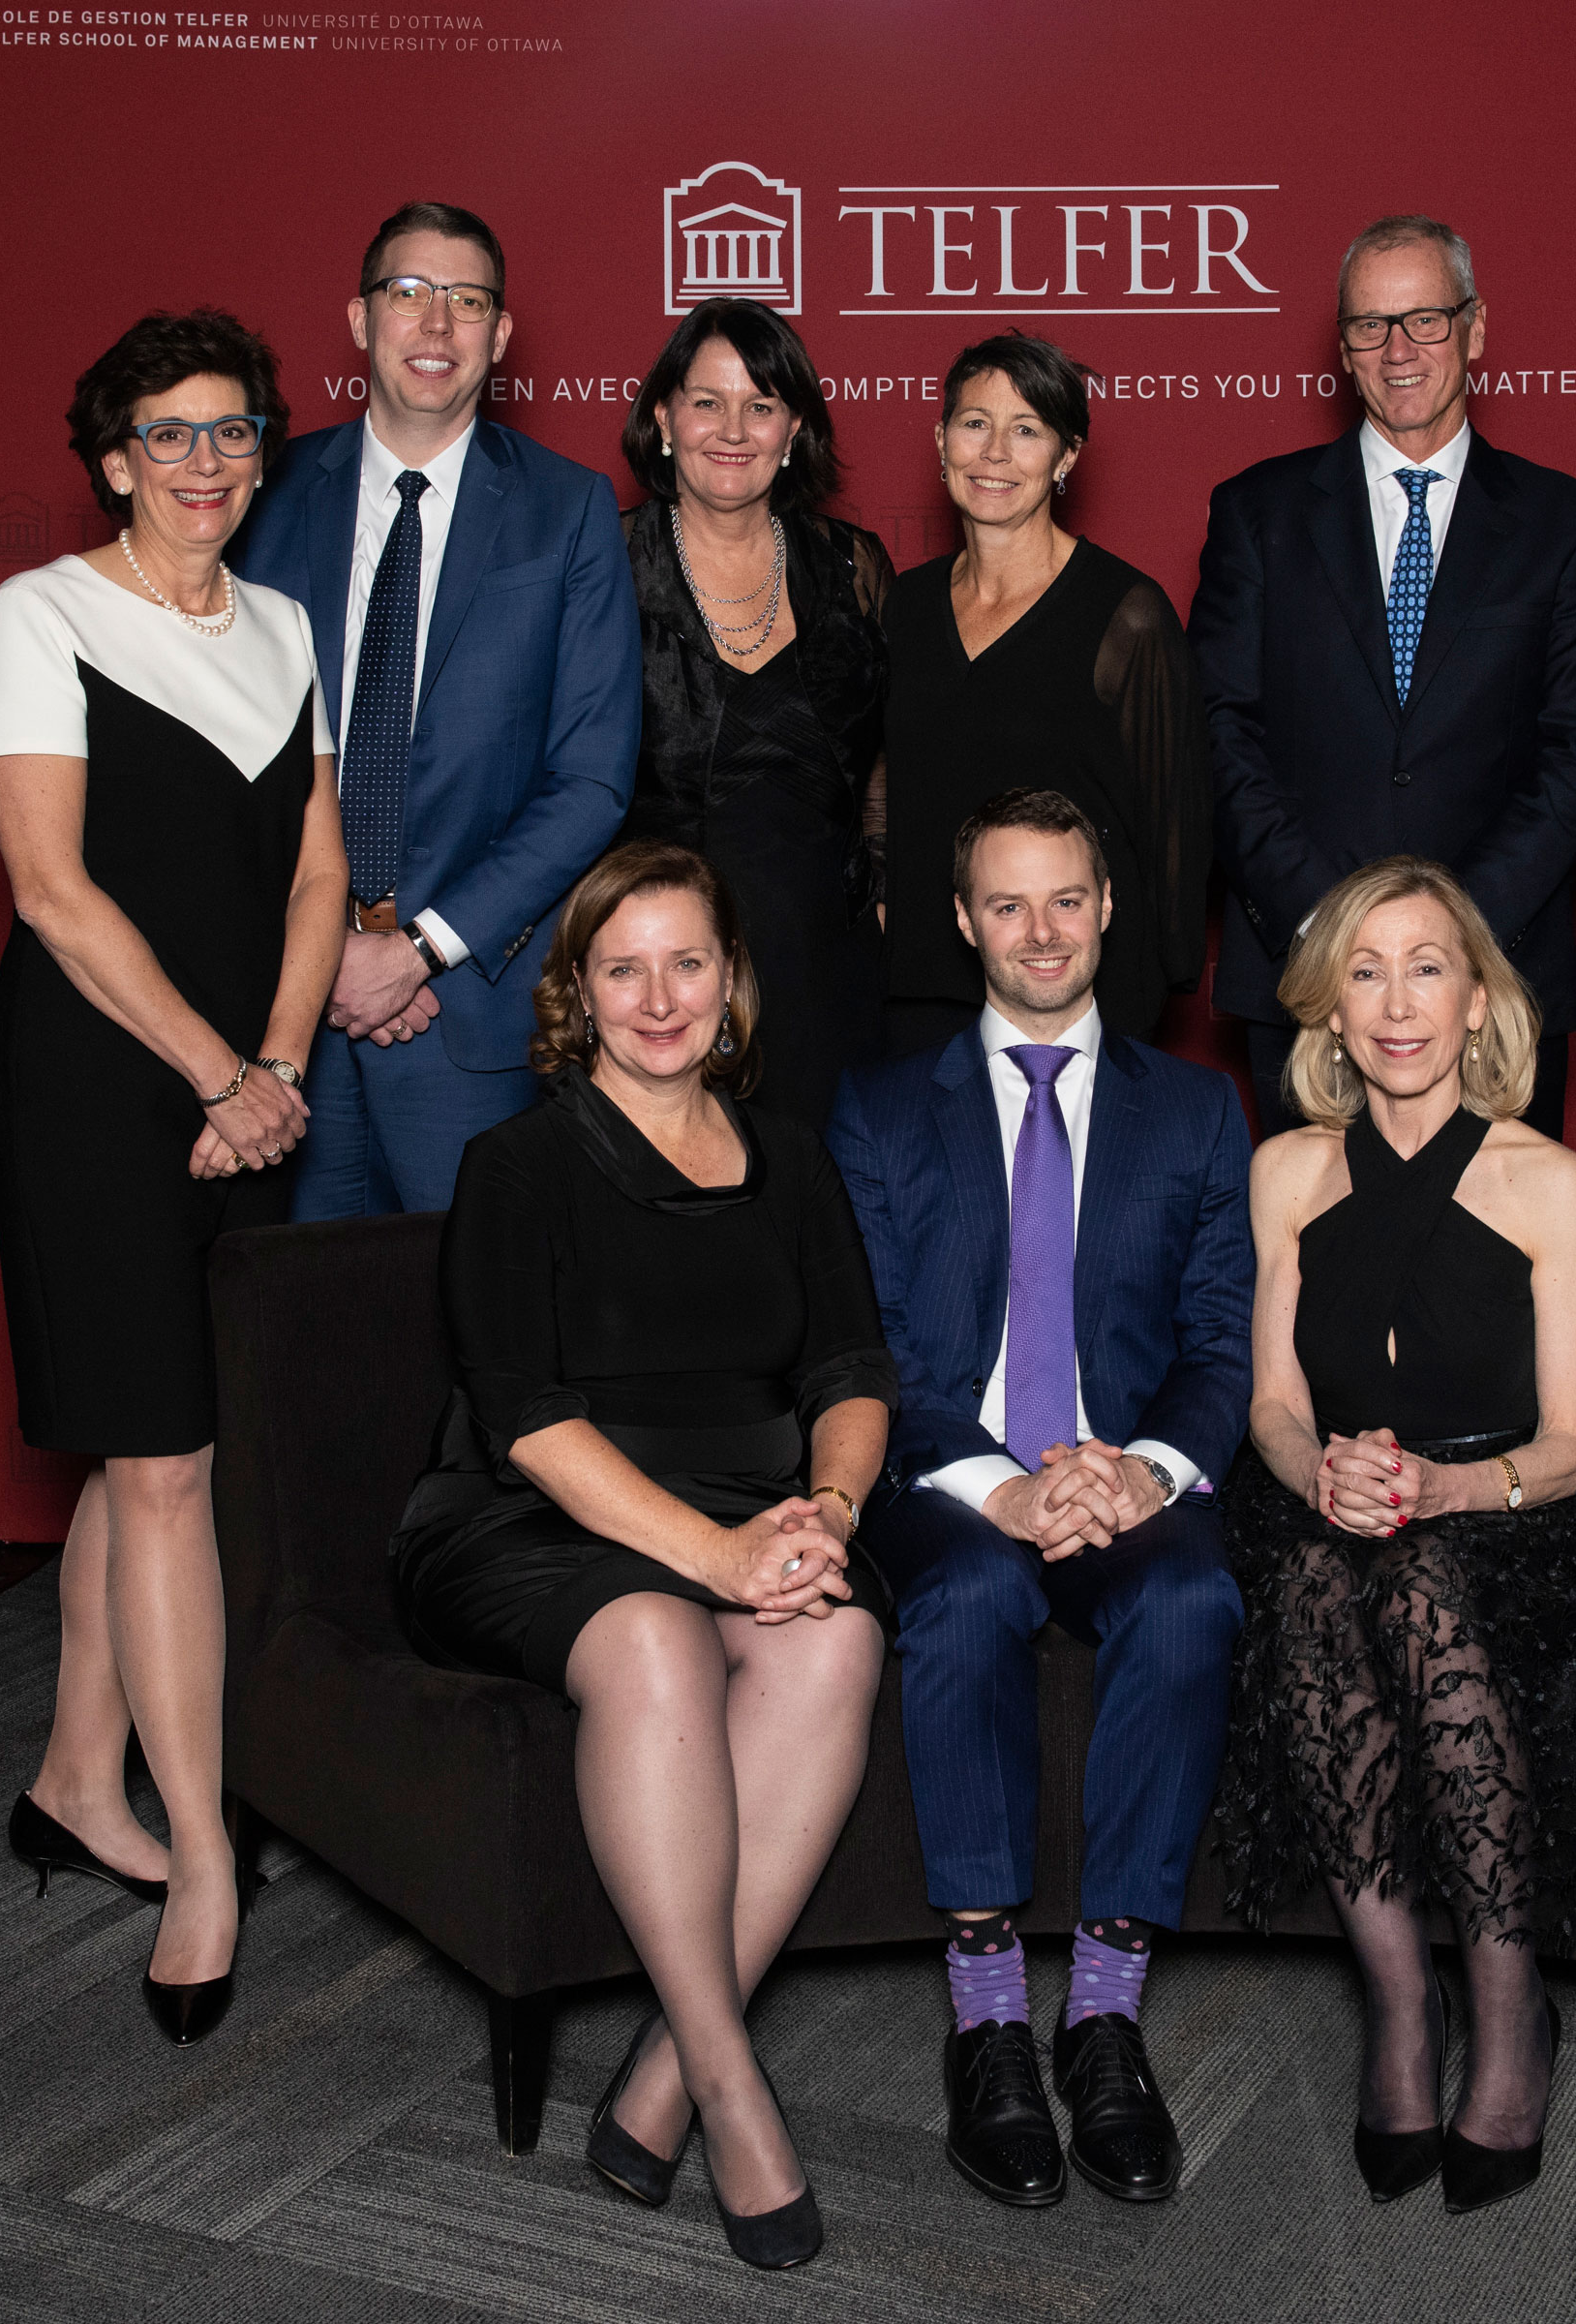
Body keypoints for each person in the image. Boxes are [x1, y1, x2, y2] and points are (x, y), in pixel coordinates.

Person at [389, 841, 894, 2272]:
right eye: (624, 968)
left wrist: (827, 1518)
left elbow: (853, 1372)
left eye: (688, 963)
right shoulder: (520, 1165)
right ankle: (731, 2090)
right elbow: (531, 1426)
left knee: (842, 1635)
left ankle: (664, 2069)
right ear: (578, 991)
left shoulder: (790, 1158)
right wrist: (721, 1561)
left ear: (731, 983)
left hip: (754, 1509)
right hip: (531, 1517)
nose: (659, 997)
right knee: (662, 1642)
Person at [0, 308, 349, 2047]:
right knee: (169, 1464)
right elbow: (50, 892)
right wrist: (217, 1074)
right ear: (112, 456)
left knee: (150, 1460)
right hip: (100, 1094)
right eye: (170, 434)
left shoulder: (284, 626)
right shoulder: (36, 618)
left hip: (243, 1091)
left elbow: (314, 880)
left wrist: (274, 1069)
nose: (208, 461)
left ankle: (70, 1775)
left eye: (235, 431)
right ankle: (201, 1856)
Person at [1224, 858, 1576, 2216]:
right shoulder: (1287, 1172)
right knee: (1317, 1583)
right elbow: (1269, 1401)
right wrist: (1320, 1474)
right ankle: (1402, 2009)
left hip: (1514, 1514)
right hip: (1333, 1498)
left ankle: (1507, 2001)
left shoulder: (1548, 1179)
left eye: (1426, 966)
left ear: (1476, 997)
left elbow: (1571, 1445)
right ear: (1329, 1012)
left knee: (1415, 1582)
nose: (1397, 1002)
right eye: (1364, 973)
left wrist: (1441, 1490)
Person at [825, 790, 1254, 2211]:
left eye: (1066, 898)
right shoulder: (883, 1109)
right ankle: (993, 2014)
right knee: (966, 1595)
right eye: (1007, 904)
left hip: (1123, 1478)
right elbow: (873, 1346)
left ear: (1109, 905)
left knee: (1195, 1592)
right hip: (955, 1480)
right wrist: (999, 1492)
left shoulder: (1194, 1110)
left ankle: (1108, 2013)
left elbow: (1218, 1342)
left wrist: (1142, 1472)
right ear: (962, 924)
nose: (1042, 931)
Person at [229, 199, 642, 1216]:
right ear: (361, 320)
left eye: (467, 301)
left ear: (500, 337)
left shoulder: (568, 506)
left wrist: (417, 951)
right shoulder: (260, 494)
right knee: (299, 1341)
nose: (437, 325)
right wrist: (326, 953)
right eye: (408, 294)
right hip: (283, 1014)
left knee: (482, 1346)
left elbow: (591, 779)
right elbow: (224, 748)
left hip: (471, 1017)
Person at [1191, 214, 1576, 1135]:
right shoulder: (1255, 512)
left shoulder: (1567, 523)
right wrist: (1338, 938)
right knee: (1313, 1271)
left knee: (1498, 1276)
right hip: (1308, 984)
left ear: (1476, 328)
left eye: (1426, 320)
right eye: (1370, 326)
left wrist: (1449, 946)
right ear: (1341, 348)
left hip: (1498, 984)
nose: (1398, 350)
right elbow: (1221, 733)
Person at [879, 334, 1210, 1055]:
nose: (995, 453)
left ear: (1065, 458)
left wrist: (1145, 1004)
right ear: (941, 440)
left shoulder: (1127, 614)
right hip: (920, 997)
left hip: (1075, 998)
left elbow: (1173, 830)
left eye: (1026, 430)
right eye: (975, 423)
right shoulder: (900, 608)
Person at [619, 297, 893, 1127]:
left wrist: (882, 884)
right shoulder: (602, 563)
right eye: (707, 402)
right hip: (661, 983)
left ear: (794, 428)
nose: (733, 428)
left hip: (827, 967)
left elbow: (883, 753)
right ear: (665, 417)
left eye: (762, 405)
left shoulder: (852, 566)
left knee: (828, 1225)